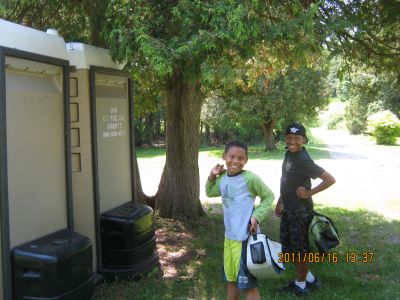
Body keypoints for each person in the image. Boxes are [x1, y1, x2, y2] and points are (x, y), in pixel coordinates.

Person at [206, 141, 275, 300]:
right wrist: (212, 175)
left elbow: (269, 196)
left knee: (247, 285)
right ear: (224, 157)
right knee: (231, 280)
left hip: (245, 238)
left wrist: (256, 216)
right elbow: (209, 192)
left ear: (246, 160)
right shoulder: (222, 178)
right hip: (229, 237)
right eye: (231, 156)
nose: (235, 161)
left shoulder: (250, 179)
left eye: (241, 158)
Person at [275, 123, 336, 297]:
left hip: (299, 213)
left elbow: (330, 179)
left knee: (300, 250)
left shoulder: (303, 159)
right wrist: (281, 201)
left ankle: (300, 286)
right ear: (285, 139)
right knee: (292, 248)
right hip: (289, 209)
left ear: (304, 140)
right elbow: (286, 180)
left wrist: (308, 193)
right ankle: (308, 277)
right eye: (289, 138)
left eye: (297, 138)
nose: (292, 141)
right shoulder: (289, 153)